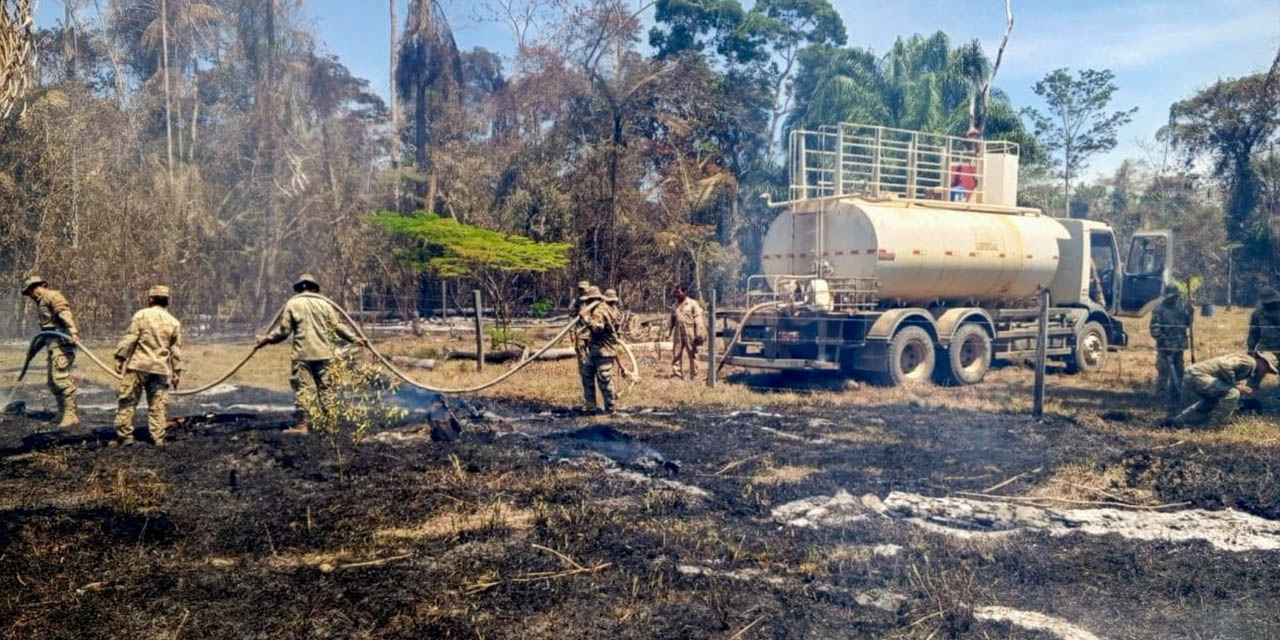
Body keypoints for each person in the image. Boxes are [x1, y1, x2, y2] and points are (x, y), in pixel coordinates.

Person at [255, 273, 366, 434]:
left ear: (300, 288)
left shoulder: (293, 304)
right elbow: (337, 326)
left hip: (303, 355)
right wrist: (355, 338)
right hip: (325, 354)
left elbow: (284, 331)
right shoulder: (326, 305)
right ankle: (331, 425)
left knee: (303, 389)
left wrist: (267, 339)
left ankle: (302, 425)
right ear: (315, 288)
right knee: (326, 389)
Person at [113, 286, 183, 446]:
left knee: (127, 401)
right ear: (167, 301)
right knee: (158, 406)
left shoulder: (142, 315)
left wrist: (120, 358)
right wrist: (176, 373)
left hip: (138, 366)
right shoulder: (174, 322)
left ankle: (125, 437)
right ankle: (158, 438)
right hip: (160, 369)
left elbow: (131, 338)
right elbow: (176, 350)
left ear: (151, 299)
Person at [22, 276, 81, 428]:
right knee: (52, 382)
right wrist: (32, 352)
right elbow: (45, 333)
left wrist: (73, 331)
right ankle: (62, 413)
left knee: (61, 379)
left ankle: (70, 415)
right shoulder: (41, 302)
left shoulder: (52, 296)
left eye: (29, 293)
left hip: (62, 345)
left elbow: (64, 313)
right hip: (52, 345)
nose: (30, 297)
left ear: (35, 288)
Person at [1172, 351, 1278, 426]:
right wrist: (1235, 385)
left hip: (1194, 375)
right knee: (1233, 393)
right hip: (1197, 375)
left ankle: (1178, 421)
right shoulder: (1250, 362)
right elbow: (1225, 365)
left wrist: (1237, 384)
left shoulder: (1249, 366)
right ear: (1261, 361)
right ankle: (1217, 425)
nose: (1265, 372)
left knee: (1212, 401)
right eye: (1266, 368)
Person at [1150, 284, 1193, 408]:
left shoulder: (1180, 307)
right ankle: (1161, 397)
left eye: (1175, 296)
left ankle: (1177, 395)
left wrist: (1191, 313)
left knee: (1179, 371)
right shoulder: (1159, 309)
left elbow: (1188, 323)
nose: (1173, 299)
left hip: (1179, 347)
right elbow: (1155, 329)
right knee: (1164, 372)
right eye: (1171, 296)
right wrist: (1164, 341)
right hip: (1165, 348)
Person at [578, 286, 620, 413]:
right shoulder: (605, 308)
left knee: (604, 379)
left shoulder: (599, 311)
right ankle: (591, 405)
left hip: (604, 350)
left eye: (588, 300)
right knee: (587, 373)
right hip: (596, 349)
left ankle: (610, 409)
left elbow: (598, 328)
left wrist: (585, 318)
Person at [668, 284, 706, 380]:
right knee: (676, 353)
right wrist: (668, 331)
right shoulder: (675, 305)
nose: (676, 294)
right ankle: (677, 374)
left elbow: (698, 319)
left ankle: (694, 375)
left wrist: (698, 332)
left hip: (690, 332)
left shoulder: (693, 304)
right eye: (675, 292)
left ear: (685, 292)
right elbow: (671, 320)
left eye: (679, 292)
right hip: (678, 332)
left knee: (692, 353)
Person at [571, 280, 595, 409]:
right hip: (580, 336)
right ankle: (587, 398)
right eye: (580, 289)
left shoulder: (594, 302)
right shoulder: (576, 302)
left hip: (592, 336)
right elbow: (571, 318)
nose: (582, 291)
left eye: (584, 289)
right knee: (583, 367)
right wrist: (572, 333)